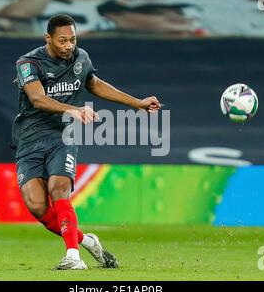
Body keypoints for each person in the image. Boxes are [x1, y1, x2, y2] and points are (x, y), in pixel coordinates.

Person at [12, 14, 162, 270]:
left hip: (62, 137)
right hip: (29, 138)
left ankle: (73, 256)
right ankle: (87, 241)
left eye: (73, 39)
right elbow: (37, 99)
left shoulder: (81, 57)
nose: (69, 45)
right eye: (62, 41)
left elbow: (94, 84)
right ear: (48, 38)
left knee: (59, 189)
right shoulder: (28, 63)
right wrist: (72, 109)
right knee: (37, 208)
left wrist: (136, 102)